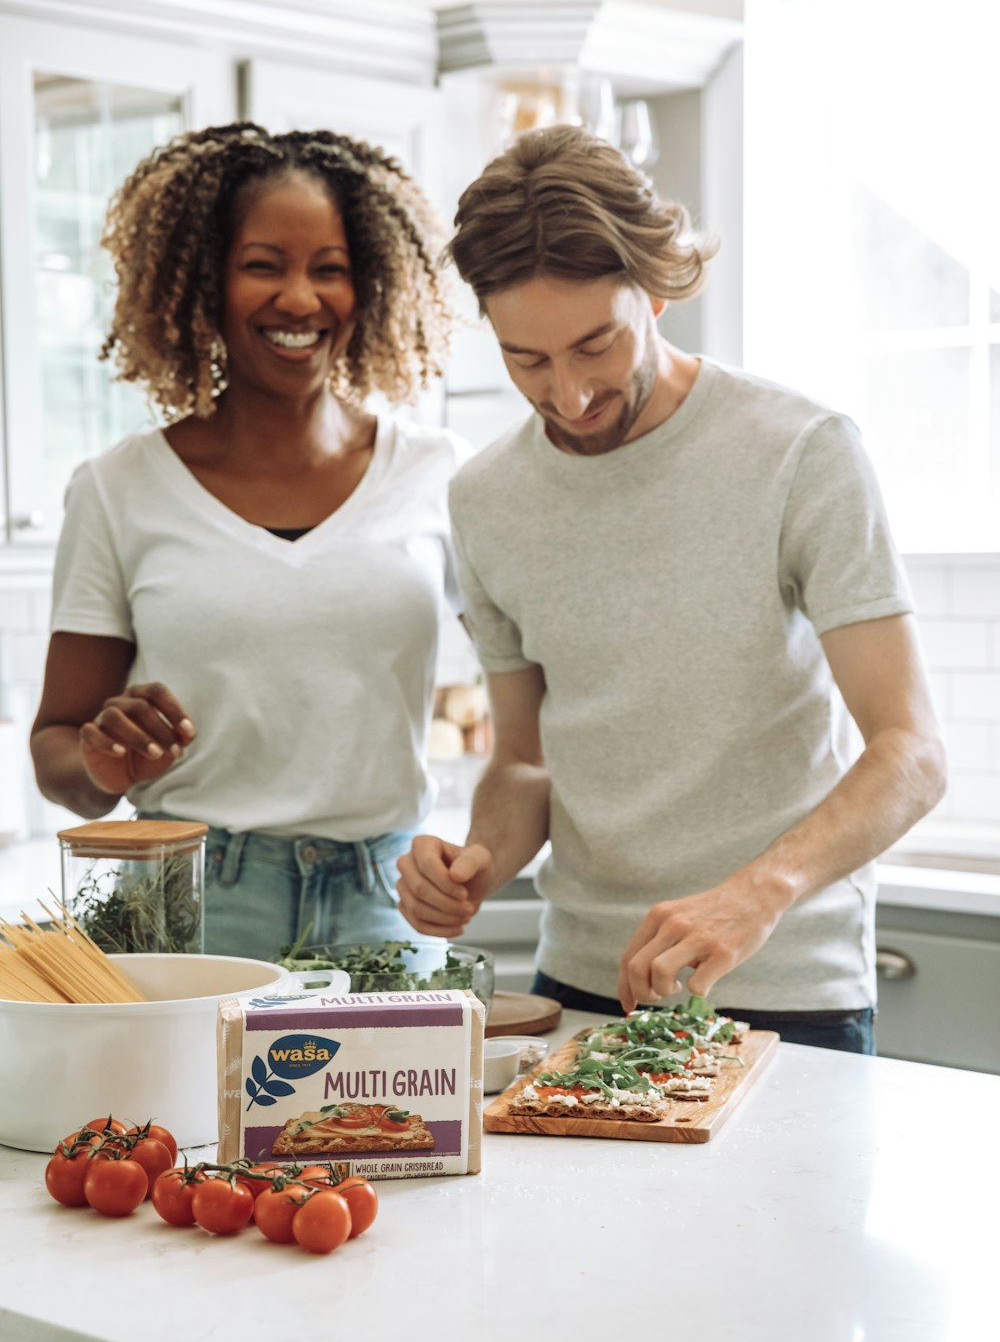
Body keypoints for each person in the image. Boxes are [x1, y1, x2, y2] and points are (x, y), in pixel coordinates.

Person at [396, 124, 947, 1053]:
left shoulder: (799, 452)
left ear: (655, 288)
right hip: (578, 986)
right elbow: (525, 761)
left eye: (595, 345)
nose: (568, 395)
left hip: (780, 988)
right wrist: (477, 860)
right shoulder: (485, 497)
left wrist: (754, 894)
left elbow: (913, 752)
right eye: (526, 359)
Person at [31, 122, 468, 959]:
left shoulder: (439, 473)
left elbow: (539, 697)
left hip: (384, 902)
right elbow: (58, 750)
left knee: (390, 1100)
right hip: (186, 903)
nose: (300, 300)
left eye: (329, 269)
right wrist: (100, 764)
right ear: (203, 282)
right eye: (263, 265)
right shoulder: (119, 489)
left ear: (369, 284)